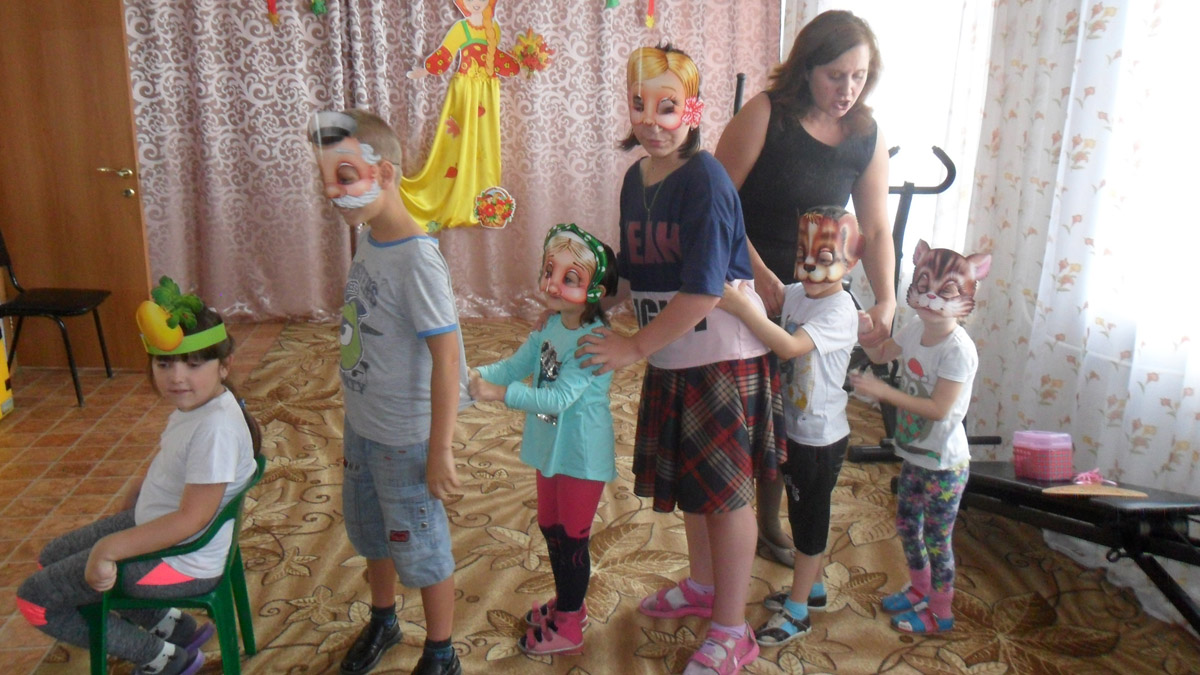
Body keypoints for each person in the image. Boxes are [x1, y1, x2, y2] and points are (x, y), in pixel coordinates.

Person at [577, 44, 785, 675]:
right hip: (674, 356)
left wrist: (633, 347)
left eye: (667, 107)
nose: (650, 120)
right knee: (698, 486)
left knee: (727, 498)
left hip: (720, 361)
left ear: (692, 109)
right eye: (638, 104)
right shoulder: (636, 177)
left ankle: (733, 629)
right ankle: (702, 585)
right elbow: (634, 270)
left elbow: (703, 291)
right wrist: (587, 303)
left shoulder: (706, 180)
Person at [713, 9, 893, 568]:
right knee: (745, 413)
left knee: (792, 411)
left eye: (858, 76)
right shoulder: (766, 114)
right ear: (806, 68)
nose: (847, 89)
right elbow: (716, 204)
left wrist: (887, 298)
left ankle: (771, 522)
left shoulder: (865, 135)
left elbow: (876, 228)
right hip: (744, 280)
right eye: (835, 75)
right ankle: (743, 522)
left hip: (811, 296)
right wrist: (758, 273)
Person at [16, 278, 260, 675]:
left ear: (225, 365)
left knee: (35, 600)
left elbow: (191, 519)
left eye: (193, 364)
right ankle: (174, 627)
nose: (176, 376)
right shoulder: (202, 405)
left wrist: (109, 549)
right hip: (162, 528)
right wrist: (141, 490)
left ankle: (162, 659)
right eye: (164, 363)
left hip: (179, 561)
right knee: (50, 561)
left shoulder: (214, 430)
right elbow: (180, 469)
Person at [309, 109, 469, 675]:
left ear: (387, 174)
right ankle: (384, 618)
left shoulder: (417, 259)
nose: (334, 192)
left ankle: (441, 651)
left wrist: (440, 449)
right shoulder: (371, 236)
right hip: (363, 425)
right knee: (372, 531)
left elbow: (447, 357)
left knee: (420, 546)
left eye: (346, 176)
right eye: (327, 178)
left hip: (406, 437)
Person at [468, 223, 618, 655]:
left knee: (572, 540)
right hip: (550, 447)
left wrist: (498, 394)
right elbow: (516, 365)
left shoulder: (594, 340)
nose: (552, 284)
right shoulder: (552, 324)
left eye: (569, 278)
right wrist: (474, 374)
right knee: (551, 528)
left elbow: (558, 398)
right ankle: (570, 602)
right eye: (550, 271)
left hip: (580, 454)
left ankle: (569, 623)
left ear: (595, 289)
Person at [717, 206, 862, 645]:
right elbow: (772, 302)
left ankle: (798, 612)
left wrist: (744, 310)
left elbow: (788, 346)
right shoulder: (798, 293)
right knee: (800, 516)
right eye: (803, 254)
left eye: (825, 256)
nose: (810, 265)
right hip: (793, 429)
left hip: (820, 439)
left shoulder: (840, 310)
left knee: (809, 522)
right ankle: (812, 591)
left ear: (851, 260)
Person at [850, 240, 991, 635]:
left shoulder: (958, 350)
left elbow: (939, 408)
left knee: (936, 539)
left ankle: (941, 612)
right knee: (907, 525)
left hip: (945, 464)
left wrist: (884, 392)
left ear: (965, 298)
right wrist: (865, 333)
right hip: (916, 454)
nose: (930, 298)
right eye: (924, 286)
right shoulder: (915, 329)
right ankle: (919, 589)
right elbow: (882, 355)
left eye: (946, 292)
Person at [404, 0, 520, 231]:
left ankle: (483, 201)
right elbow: (446, 53)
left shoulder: (493, 28)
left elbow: (495, 57)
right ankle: (449, 197)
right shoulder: (461, 28)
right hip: (465, 90)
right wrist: (425, 70)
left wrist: (517, 66)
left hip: (488, 91)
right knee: (456, 141)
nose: (475, 3)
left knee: (485, 143)